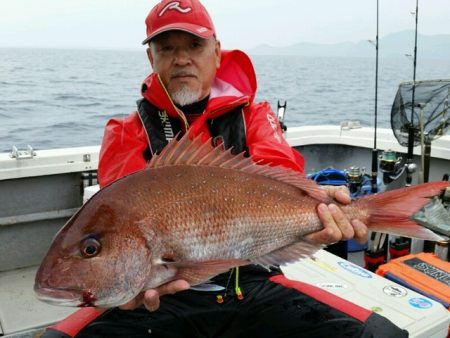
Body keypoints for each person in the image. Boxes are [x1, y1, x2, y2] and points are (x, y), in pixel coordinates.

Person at [67, 0, 407, 337]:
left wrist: (319, 204)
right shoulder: (124, 131)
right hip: (162, 297)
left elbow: (281, 172)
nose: (181, 58)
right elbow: (119, 221)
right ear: (150, 57)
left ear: (216, 52)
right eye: (167, 47)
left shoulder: (254, 117)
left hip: (251, 279)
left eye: (194, 46)